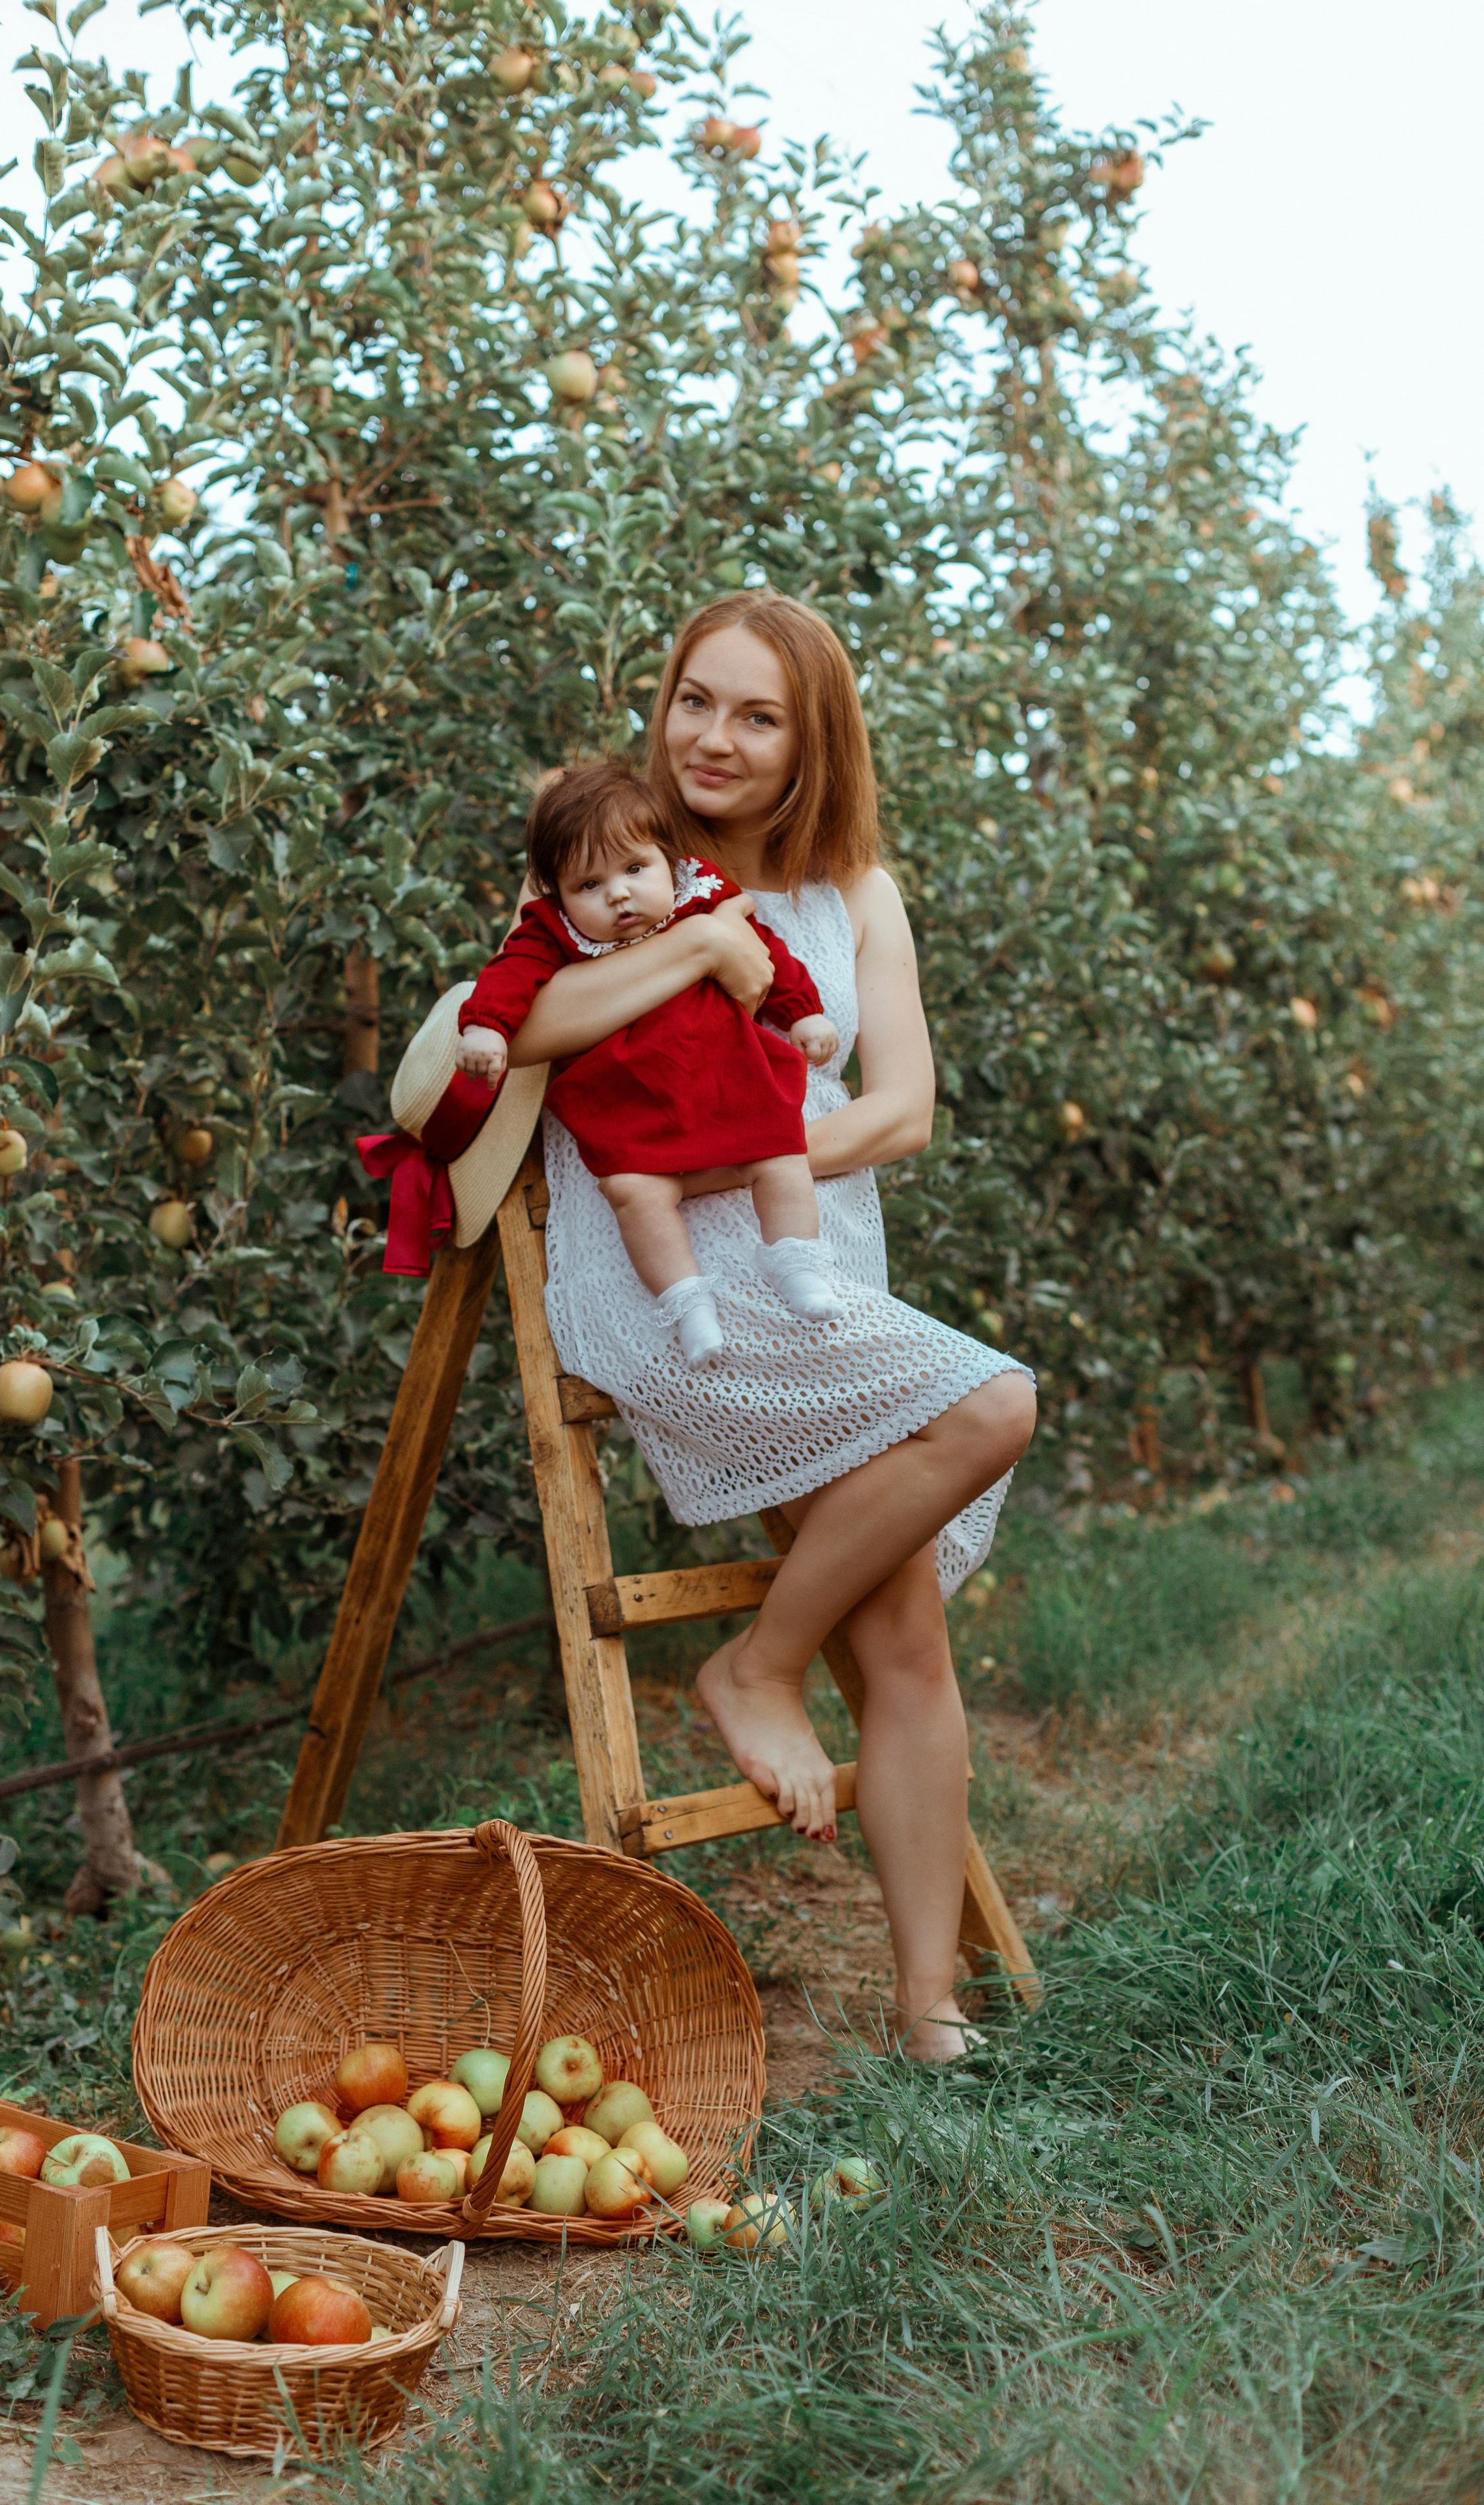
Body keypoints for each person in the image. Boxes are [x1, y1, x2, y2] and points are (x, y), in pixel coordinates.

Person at [505, 591, 1037, 2062]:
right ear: (659, 700)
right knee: (992, 1407)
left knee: (909, 1636)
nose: (713, 738)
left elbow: (901, 1111)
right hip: (671, 1283)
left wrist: (734, 1143)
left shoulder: (854, 892)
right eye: (694, 699)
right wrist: (696, 950)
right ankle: (756, 1667)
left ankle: (927, 2009)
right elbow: (515, 1033)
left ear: (812, 744)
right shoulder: (610, 861)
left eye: (756, 716)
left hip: (808, 1263)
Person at [456, 756, 844, 1369]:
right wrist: (486, 1025)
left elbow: (768, 952)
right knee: (636, 1193)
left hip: (725, 1076)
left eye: (636, 868)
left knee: (780, 1155)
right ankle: (686, 1303)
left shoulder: (701, 897)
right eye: (589, 885)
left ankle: (796, 1258)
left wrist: (804, 1013)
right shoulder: (551, 931)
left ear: (669, 858)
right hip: (627, 1096)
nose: (619, 893)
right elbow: (510, 975)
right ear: (557, 891)